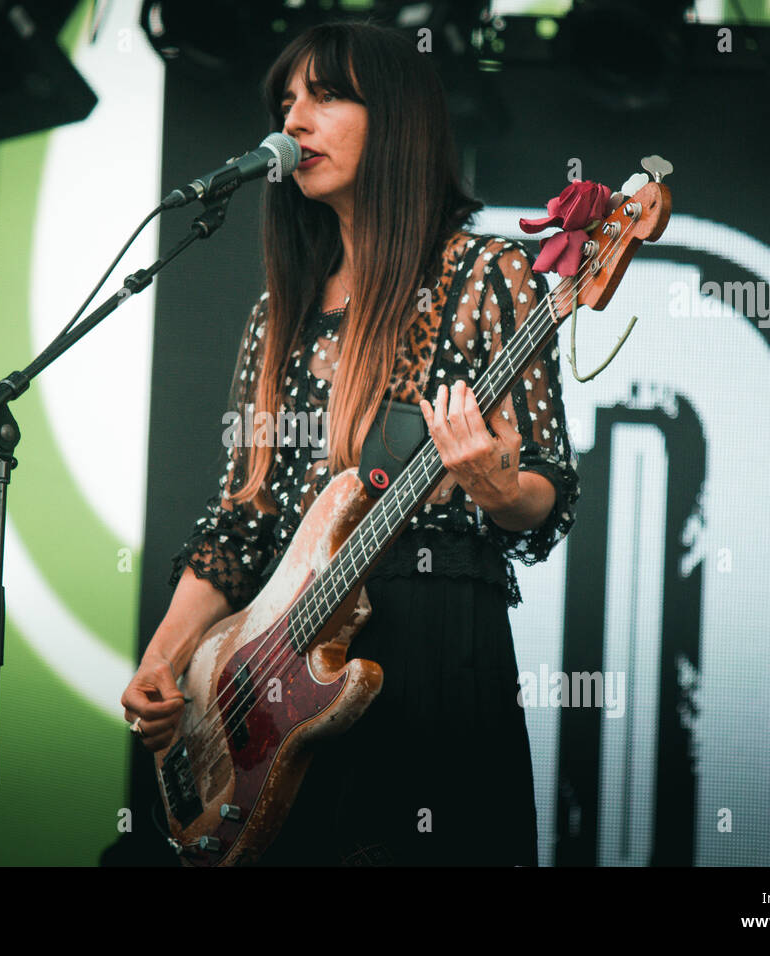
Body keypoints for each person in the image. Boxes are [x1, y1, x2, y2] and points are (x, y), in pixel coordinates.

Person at [120, 20, 579, 866]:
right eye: (286, 100)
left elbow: (547, 485)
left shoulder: (488, 274)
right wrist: (165, 657)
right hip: (280, 665)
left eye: (326, 95)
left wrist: (495, 487)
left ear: (398, 119)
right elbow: (243, 522)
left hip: (432, 642)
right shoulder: (278, 313)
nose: (293, 121)